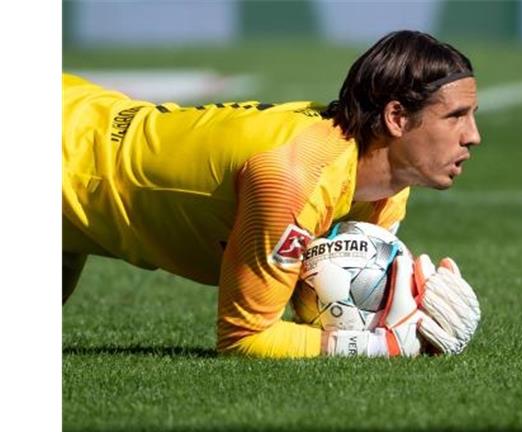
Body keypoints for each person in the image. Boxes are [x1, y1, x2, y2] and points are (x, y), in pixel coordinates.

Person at [62, 30, 482, 359]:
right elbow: (244, 336)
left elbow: (332, 295)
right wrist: (388, 346)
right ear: (396, 118)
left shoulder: (388, 189)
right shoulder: (293, 179)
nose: (474, 136)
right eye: (456, 117)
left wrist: (409, 298)